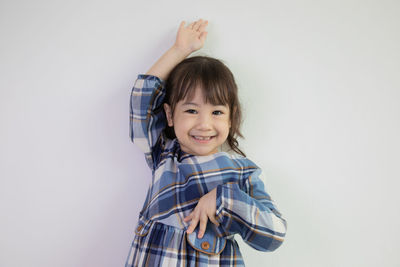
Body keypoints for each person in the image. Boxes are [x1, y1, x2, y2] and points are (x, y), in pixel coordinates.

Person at [125, 19, 287, 267]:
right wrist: (178, 51)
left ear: (231, 117)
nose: (204, 124)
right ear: (169, 115)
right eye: (191, 110)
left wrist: (223, 199)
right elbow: (141, 100)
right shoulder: (164, 154)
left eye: (217, 113)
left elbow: (273, 234)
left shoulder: (242, 171)